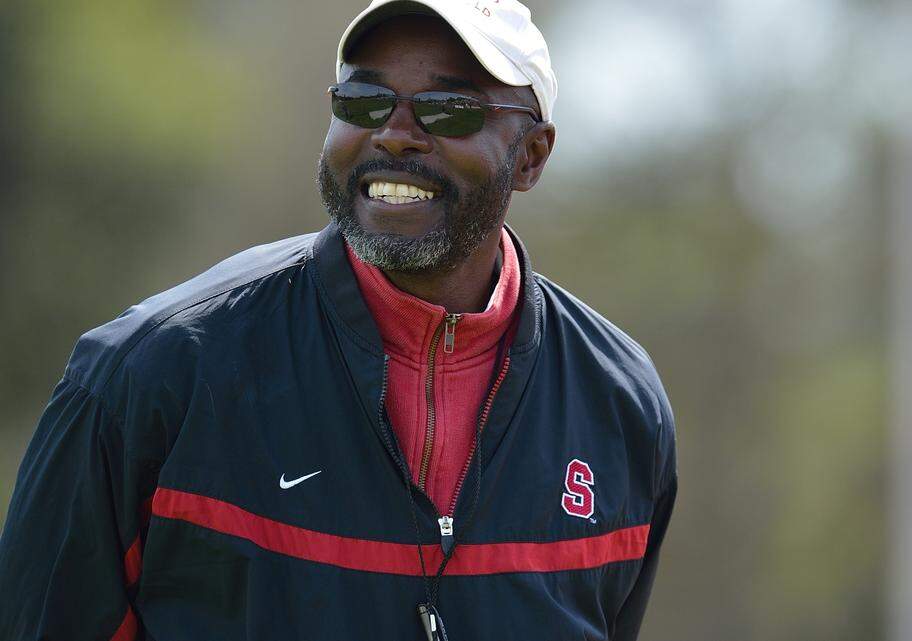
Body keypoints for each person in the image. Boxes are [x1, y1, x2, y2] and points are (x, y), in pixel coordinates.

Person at [0, 1, 677, 639]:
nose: (394, 133)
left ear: (532, 155)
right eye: (363, 100)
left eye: (446, 109)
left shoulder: (620, 406)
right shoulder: (148, 374)